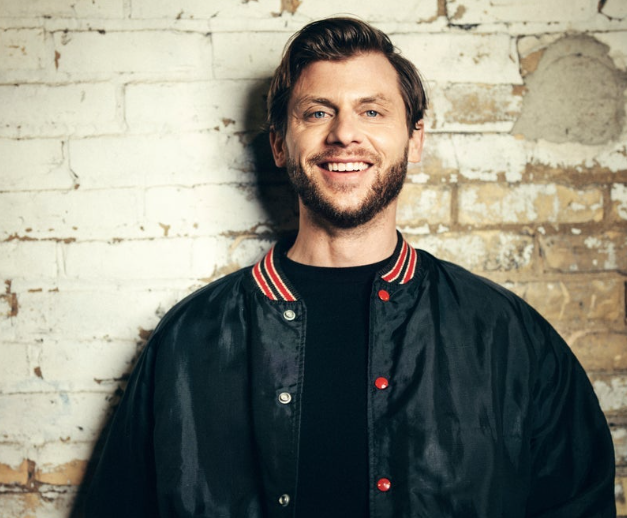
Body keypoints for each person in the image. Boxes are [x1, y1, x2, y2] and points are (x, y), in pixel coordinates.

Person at [85, 17, 616, 518]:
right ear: (279, 143)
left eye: (372, 112)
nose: (344, 134)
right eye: (318, 113)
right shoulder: (190, 341)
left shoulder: (507, 336)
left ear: (415, 140)